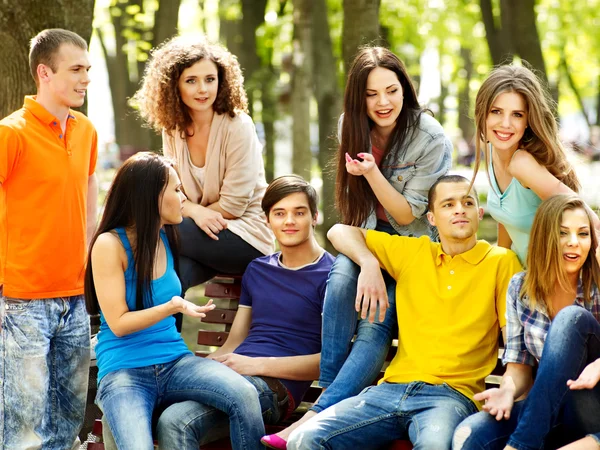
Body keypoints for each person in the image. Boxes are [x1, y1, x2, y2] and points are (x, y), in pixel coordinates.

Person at [265, 45, 453, 446]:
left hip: (412, 252)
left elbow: (406, 216)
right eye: (371, 94)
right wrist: (367, 261)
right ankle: (328, 401)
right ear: (358, 97)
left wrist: (371, 173)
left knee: (372, 323)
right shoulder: (350, 126)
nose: (383, 102)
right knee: (342, 276)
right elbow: (349, 220)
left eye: (392, 90)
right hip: (368, 242)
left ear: (406, 89)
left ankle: (320, 415)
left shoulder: (428, 137)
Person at [285, 175, 522, 450]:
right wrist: (369, 263)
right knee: (305, 439)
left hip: (450, 397)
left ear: (479, 214)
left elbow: (516, 344)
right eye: (448, 204)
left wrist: (509, 389)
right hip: (388, 390)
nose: (459, 209)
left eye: (467, 202)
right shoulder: (414, 252)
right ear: (431, 218)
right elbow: (338, 231)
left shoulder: (500, 262)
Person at [86, 152, 265, 450]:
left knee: (245, 395)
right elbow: (118, 324)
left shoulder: (167, 237)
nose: (183, 197)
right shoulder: (109, 244)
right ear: (152, 196)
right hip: (125, 372)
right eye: (177, 190)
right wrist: (173, 306)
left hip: (175, 362)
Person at [0, 28, 98, 449]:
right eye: (76, 69)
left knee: (69, 417)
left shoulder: (87, 131)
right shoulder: (11, 133)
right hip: (22, 300)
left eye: (88, 69)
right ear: (45, 72)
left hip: (74, 297)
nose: (85, 78)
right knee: (24, 425)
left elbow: (90, 208)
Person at [133, 35, 274, 306]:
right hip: (197, 234)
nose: (203, 89)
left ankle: (99, 311)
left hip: (245, 237)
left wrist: (190, 212)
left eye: (210, 79)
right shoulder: (172, 128)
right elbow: (172, 193)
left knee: (154, 230)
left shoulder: (237, 126)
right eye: (191, 80)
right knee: (173, 275)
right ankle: (164, 346)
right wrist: (193, 212)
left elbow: (232, 206)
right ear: (173, 85)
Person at [453, 194, 600, 450]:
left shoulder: (598, 281)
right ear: (544, 237)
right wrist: (507, 391)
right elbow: (519, 366)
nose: (574, 243)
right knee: (471, 434)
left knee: (570, 319)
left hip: (592, 407)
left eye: (583, 234)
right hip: (548, 411)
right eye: (563, 233)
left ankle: (521, 446)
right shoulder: (520, 288)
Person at [471, 64, 584, 265]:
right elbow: (505, 219)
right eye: (496, 111)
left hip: (551, 281)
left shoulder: (523, 163)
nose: (505, 124)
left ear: (528, 121)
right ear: (482, 112)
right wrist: (499, 270)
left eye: (517, 114)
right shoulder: (490, 149)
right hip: (521, 279)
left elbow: (578, 209)